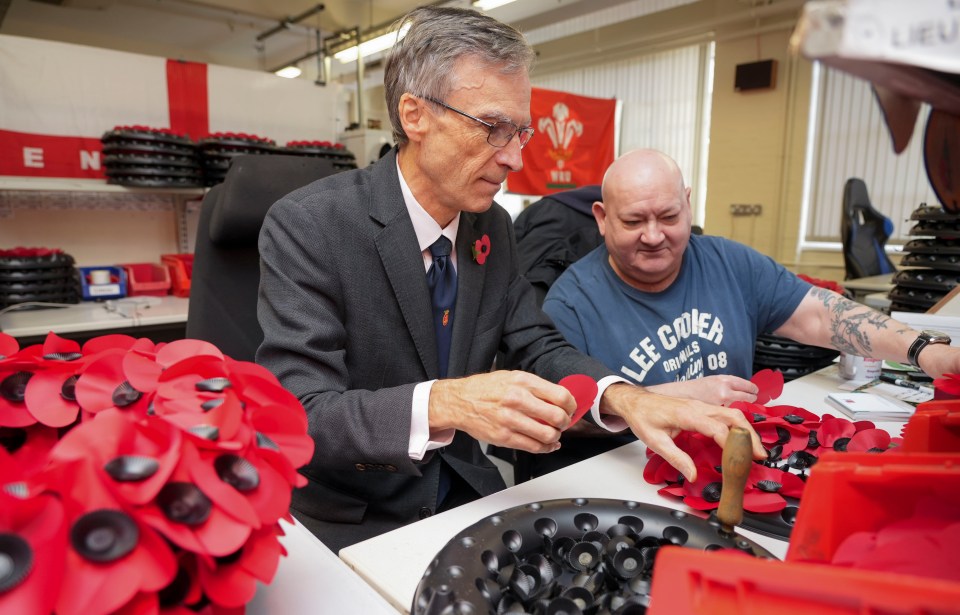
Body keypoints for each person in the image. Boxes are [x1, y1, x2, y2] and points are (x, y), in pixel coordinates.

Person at [255, 8, 762, 553]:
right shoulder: (310, 225)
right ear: (415, 115)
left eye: (520, 131)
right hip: (358, 518)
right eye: (493, 128)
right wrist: (447, 403)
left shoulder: (490, 225)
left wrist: (627, 398)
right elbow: (301, 414)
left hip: (466, 497)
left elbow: (535, 343)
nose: (515, 158)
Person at [538, 147, 960, 477]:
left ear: (687, 204)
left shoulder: (729, 263)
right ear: (602, 218)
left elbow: (822, 315)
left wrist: (926, 350)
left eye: (668, 216)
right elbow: (560, 421)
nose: (654, 236)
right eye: (633, 222)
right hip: (626, 477)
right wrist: (673, 398)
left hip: (735, 467)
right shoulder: (570, 303)